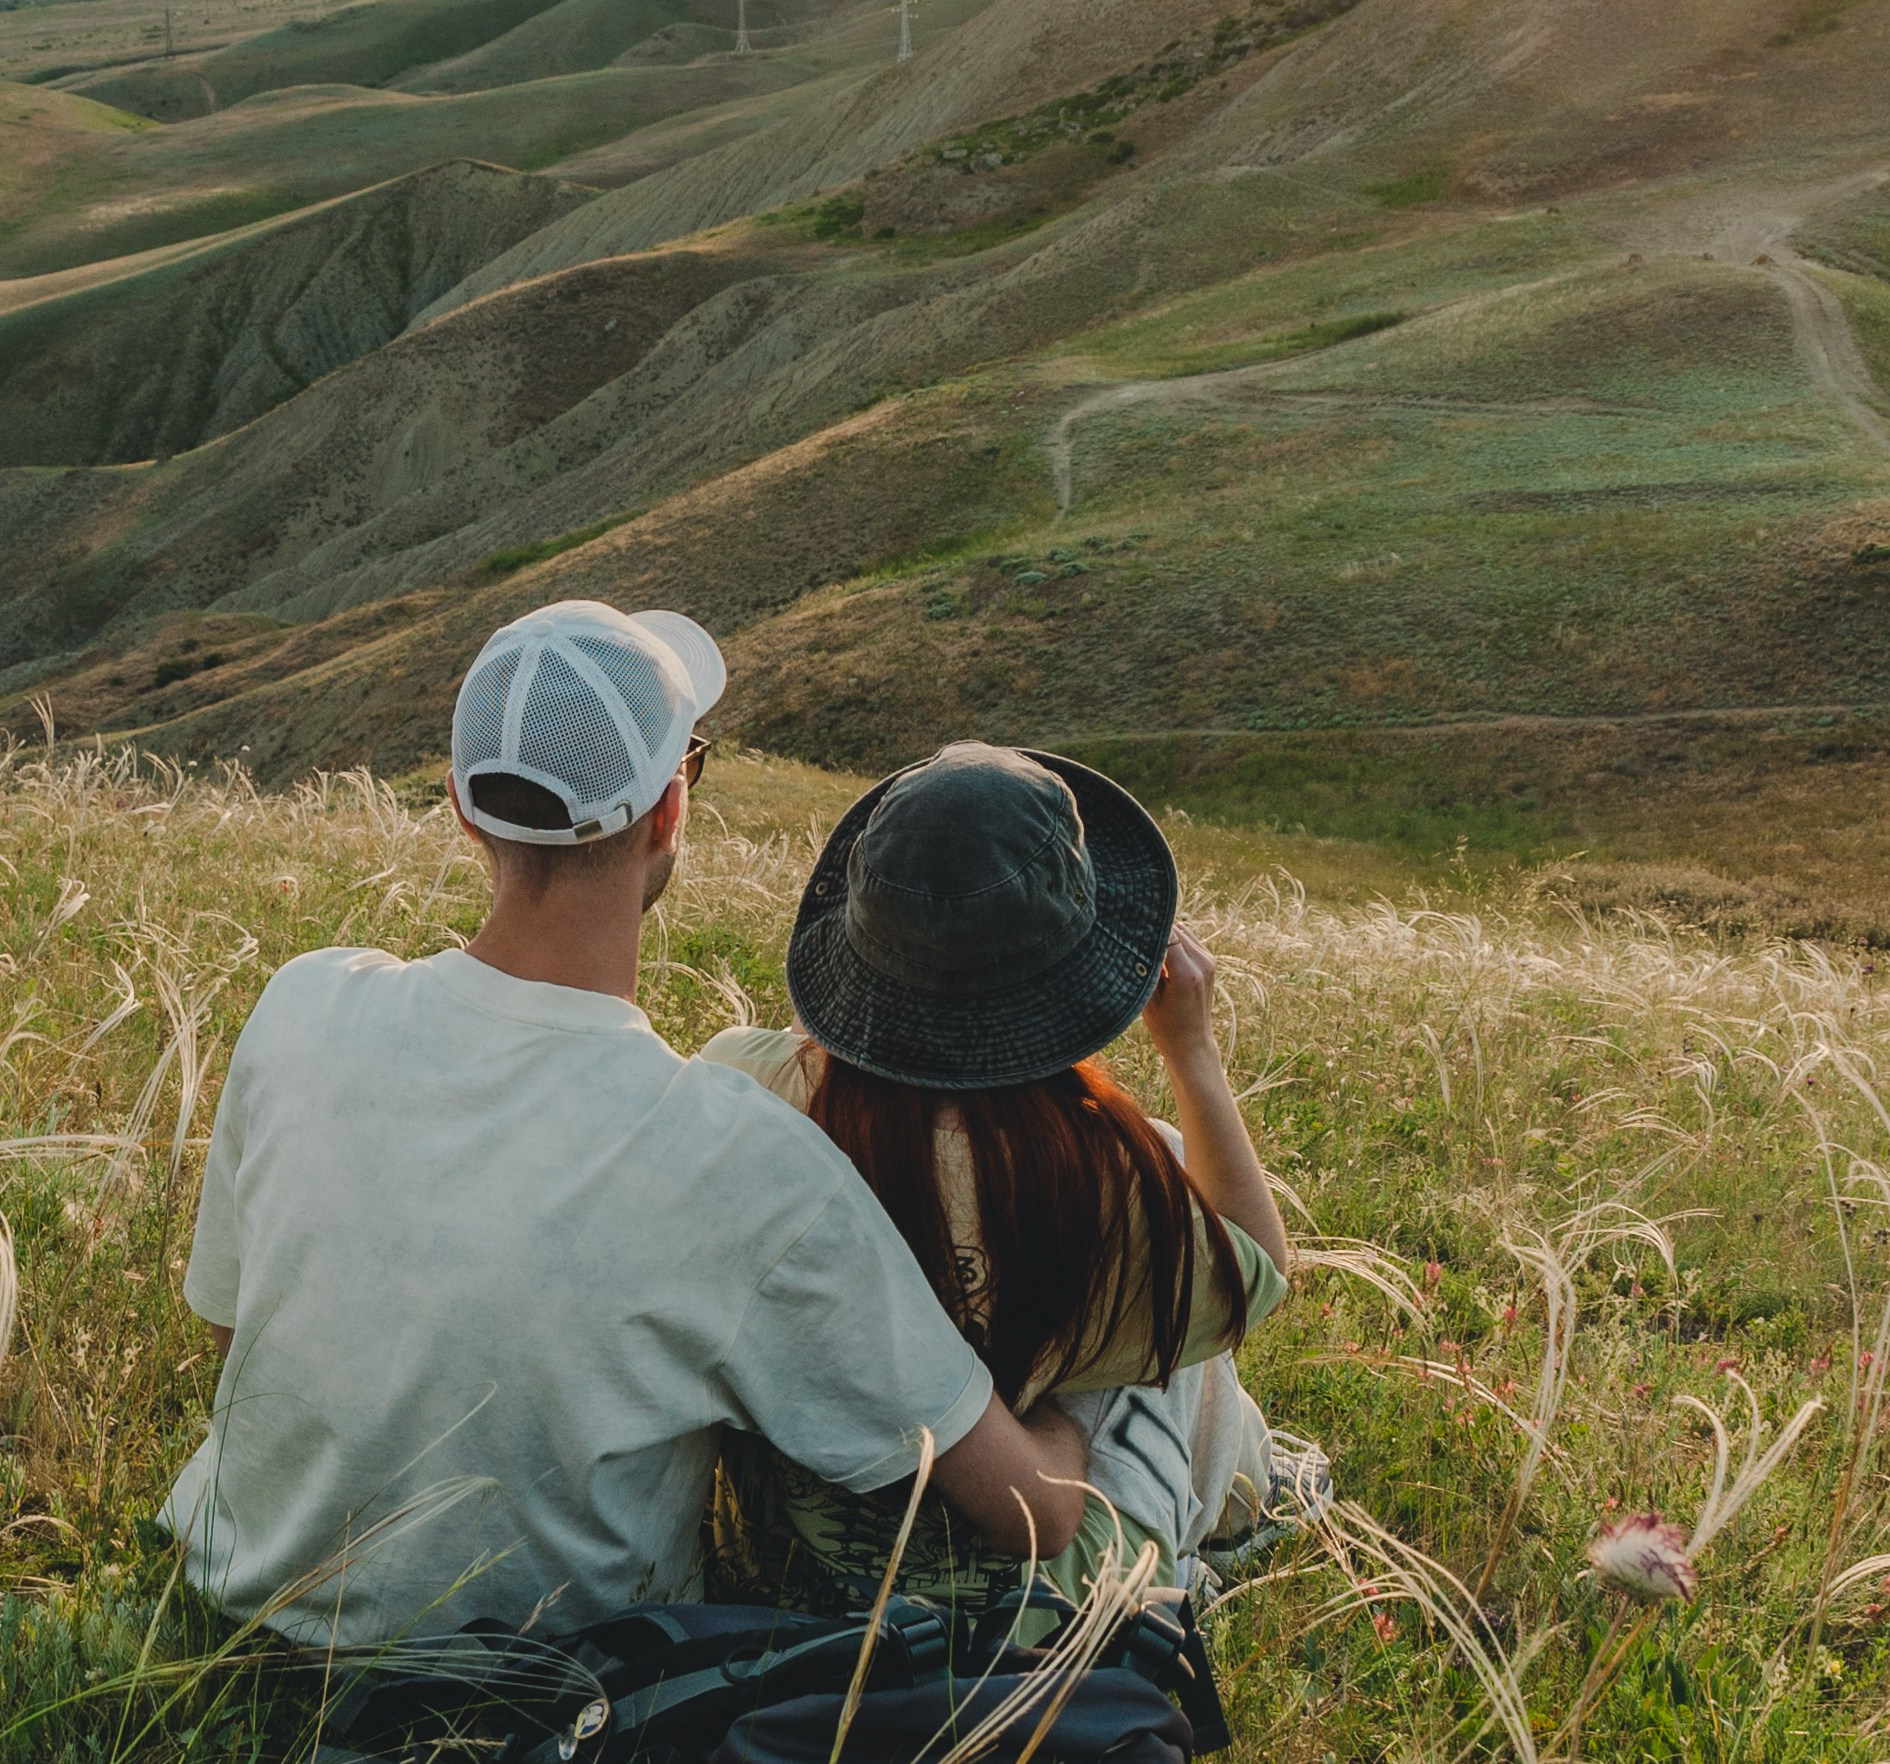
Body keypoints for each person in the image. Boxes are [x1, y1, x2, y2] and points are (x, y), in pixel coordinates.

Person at [161, 603, 1095, 1655]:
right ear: (670, 810)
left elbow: (243, 1341)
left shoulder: (303, 1002)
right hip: (536, 1713)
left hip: (230, 1611)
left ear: (468, 815)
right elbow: (1034, 1513)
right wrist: (1084, 1419)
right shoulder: (739, 1159)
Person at [700, 742, 1295, 1616]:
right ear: (1078, 969)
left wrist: (859, 1007)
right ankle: (1250, 1502)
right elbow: (1256, 1275)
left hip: (805, 1556)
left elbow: (799, 1057)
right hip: (1040, 1593)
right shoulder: (1127, 1175)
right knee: (1170, 1365)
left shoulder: (742, 1092)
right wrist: (1191, 1049)